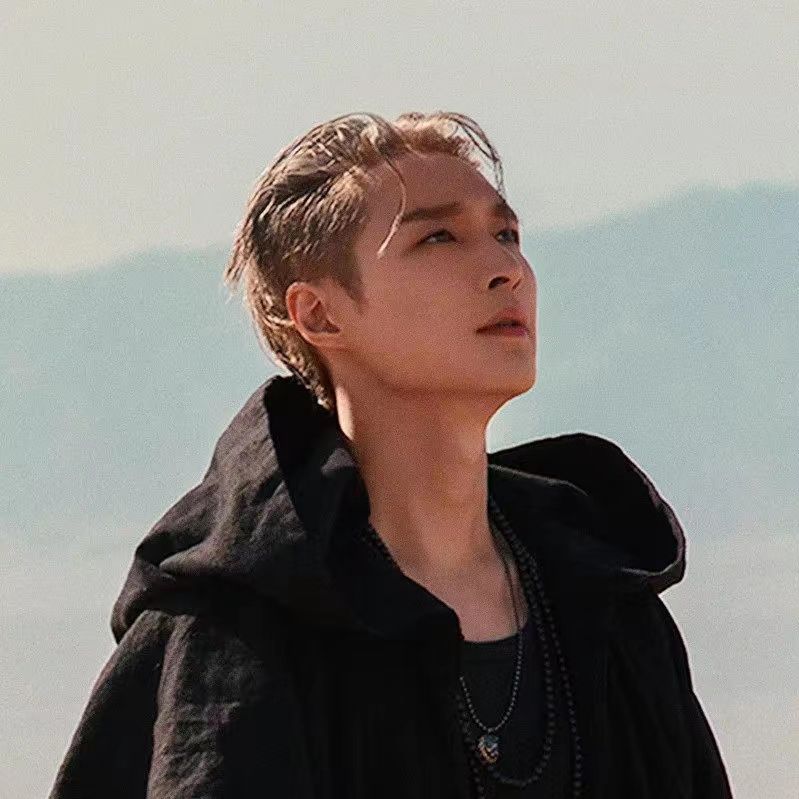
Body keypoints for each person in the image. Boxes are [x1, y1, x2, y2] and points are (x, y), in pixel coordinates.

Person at [49, 111, 733, 798]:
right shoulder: (234, 632)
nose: (506, 270)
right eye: (438, 237)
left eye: (506, 235)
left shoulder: (606, 607)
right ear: (320, 314)